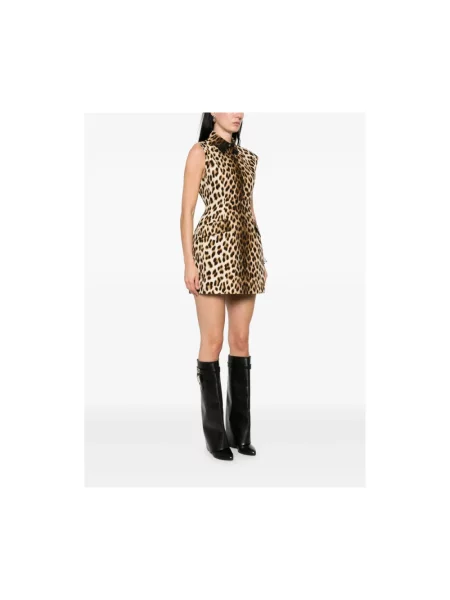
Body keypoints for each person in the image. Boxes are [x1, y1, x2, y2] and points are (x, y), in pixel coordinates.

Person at [180, 113, 268, 461]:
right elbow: (186, 211)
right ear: (212, 111)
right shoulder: (199, 152)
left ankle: (240, 433)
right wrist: (189, 263)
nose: (237, 113)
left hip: (246, 255)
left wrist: (260, 257)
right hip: (212, 255)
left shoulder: (249, 158)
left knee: (241, 340)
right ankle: (215, 436)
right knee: (213, 341)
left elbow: (250, 211)